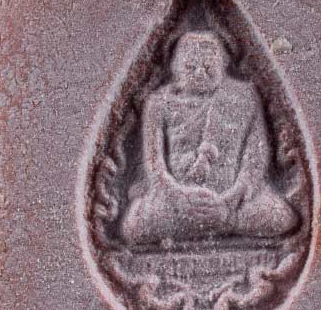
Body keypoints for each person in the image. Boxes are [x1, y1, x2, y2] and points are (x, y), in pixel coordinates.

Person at [121, 30, 297, 245]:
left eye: (208, 67)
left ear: (223, 65)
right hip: (175, 200)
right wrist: (180, 197)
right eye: (191, 67)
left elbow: (256, 156)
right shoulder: (158, 102)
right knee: (133, 226)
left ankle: (219, 221)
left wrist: (231, 199)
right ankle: (220, 223)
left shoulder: (243, 97)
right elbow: (154, 164)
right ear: (175, 67)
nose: (200, 74)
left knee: (282, 217)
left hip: (233, 201)